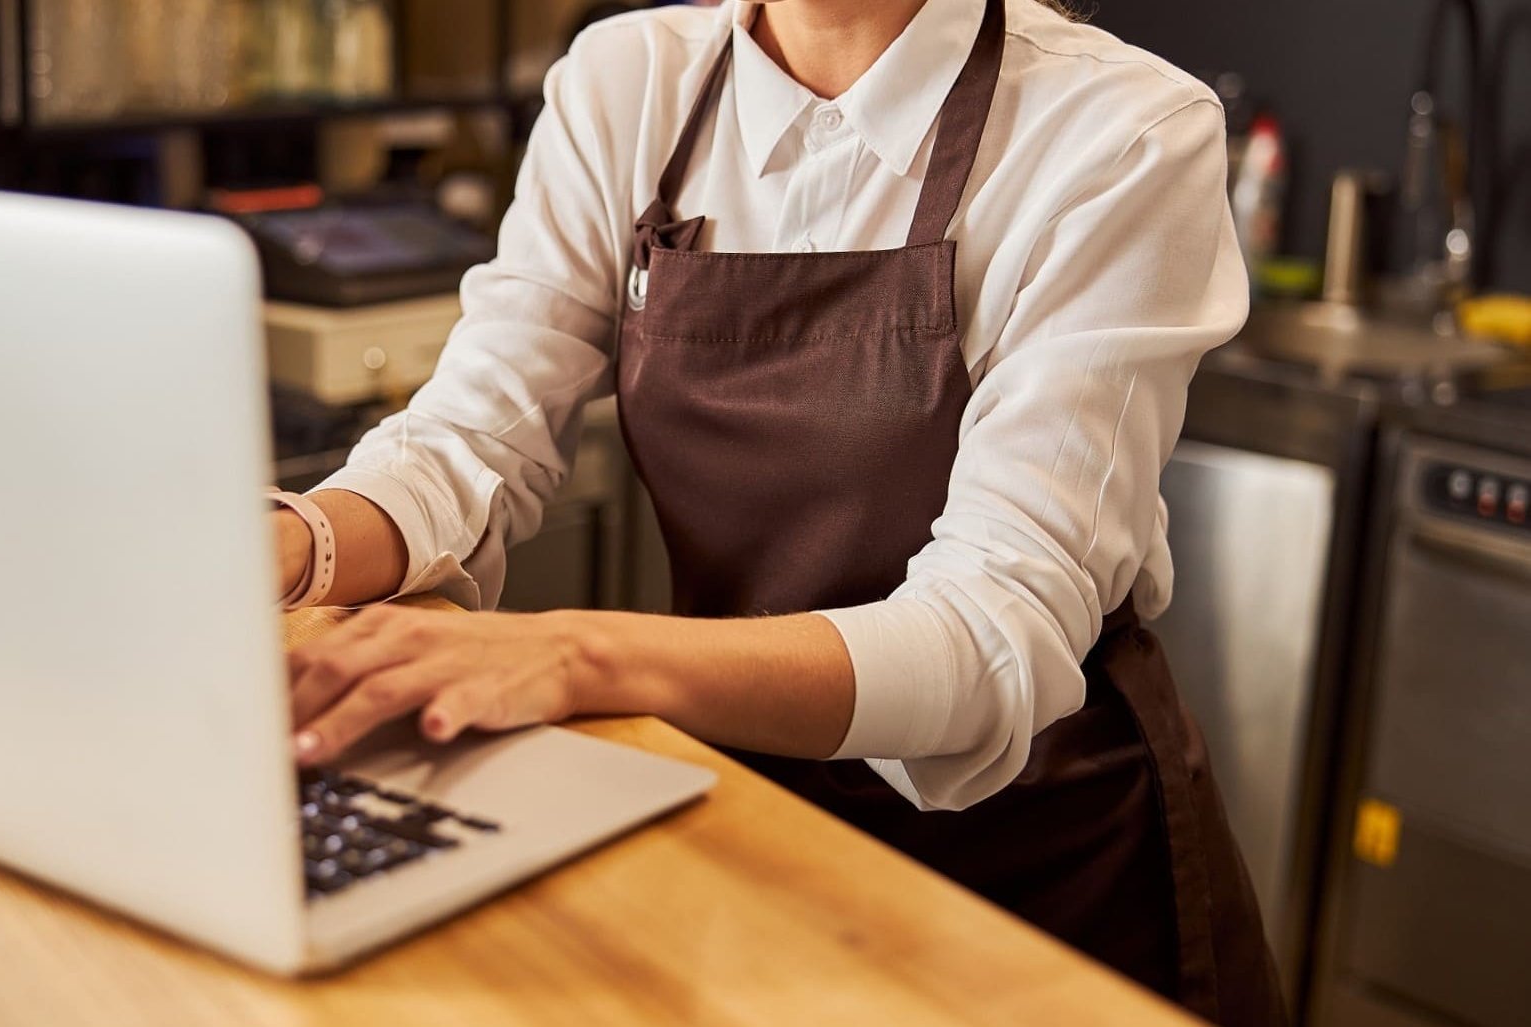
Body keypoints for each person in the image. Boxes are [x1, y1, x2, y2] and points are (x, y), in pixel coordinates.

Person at [265, 0, 1285, 1021]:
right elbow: (471, 437)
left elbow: (990, 637)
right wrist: (293, 542)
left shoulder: (1120, 132)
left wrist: (574, 654)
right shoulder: (629, 81)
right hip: (742, 804)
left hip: (1034, 872)